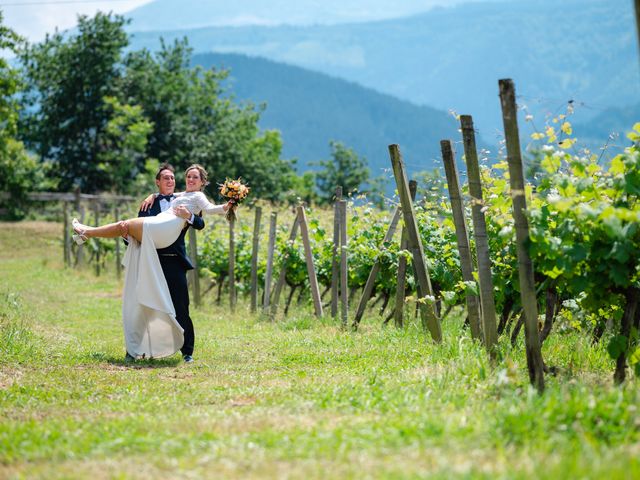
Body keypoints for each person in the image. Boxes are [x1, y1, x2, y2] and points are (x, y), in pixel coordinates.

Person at [72, 164, 231, 362]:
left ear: (201, 182)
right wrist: (130, 229)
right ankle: (134, 349)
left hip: (174, 261)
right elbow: (135, 235)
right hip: (150, 258)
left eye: (173, 178)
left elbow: (201, 222)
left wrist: (193, 215)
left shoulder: (191, 199)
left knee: (181, 307)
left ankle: (187, 352)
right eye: (166, 178)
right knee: (142, 304)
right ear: (158, 182)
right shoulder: (150, 203)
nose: (171, 181)